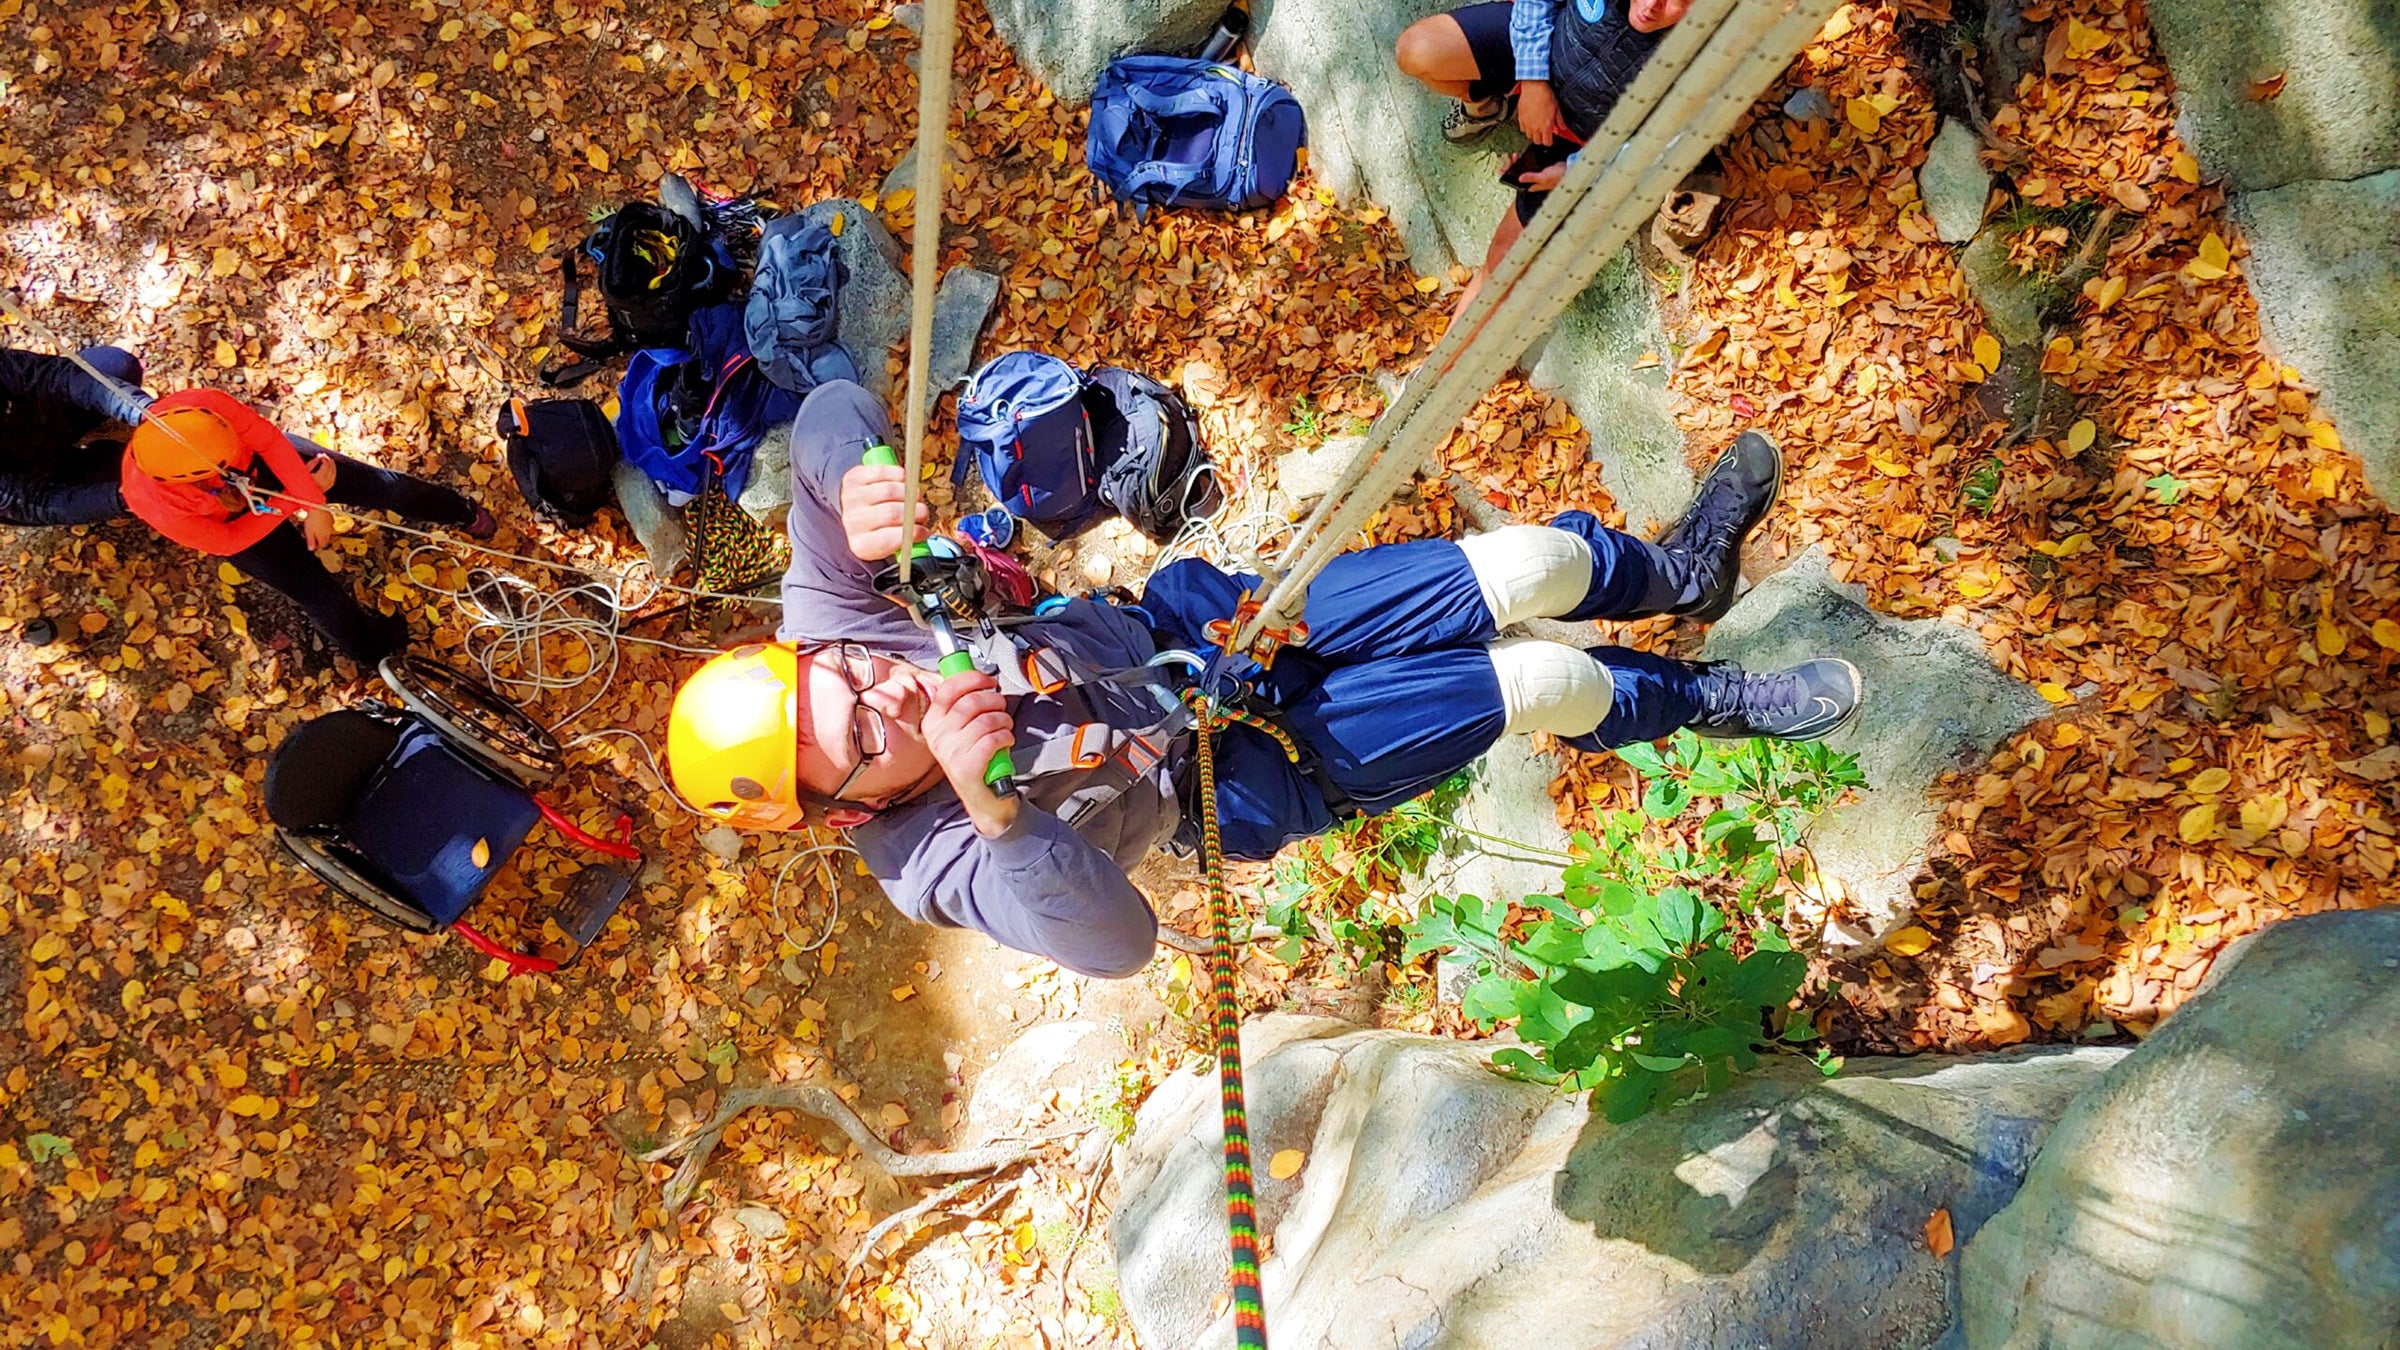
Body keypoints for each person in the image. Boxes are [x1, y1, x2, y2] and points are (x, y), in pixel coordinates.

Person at [664, 381, 1863, 979]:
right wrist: (993, 811)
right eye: (866, 739)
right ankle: (1702, 704)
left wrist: (858, 480)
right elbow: (1116, 944)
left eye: (858, 682)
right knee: (1540, 685)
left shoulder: (837, 624)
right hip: (1224, 777)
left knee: (1532, 562)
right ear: (847, 809)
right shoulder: (927, 864)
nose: (891, 698)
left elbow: (830, 413)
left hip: (1189, 629)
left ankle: (1679, 578)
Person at [119, 389, 496, 665]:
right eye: (227, 450)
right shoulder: (154, 502)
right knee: (315, 591)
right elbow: (230, 540)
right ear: (204, 474)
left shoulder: (195, 410)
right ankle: (378, 654)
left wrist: (312, 501)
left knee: (376, 484)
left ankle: (461, 512)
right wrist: (299, 502)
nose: (235, 441)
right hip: (238, 524)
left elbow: (266, 441)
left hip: (269, 467)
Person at [1396, 0, 1693, 318]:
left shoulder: (1708, 54)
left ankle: (1445, 364)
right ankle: (1491, 106)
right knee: (1417, 49)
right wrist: (1533, 80)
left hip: (1586, 141)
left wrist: (1576, 172)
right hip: (1546, 51)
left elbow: (1665, 144)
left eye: (1674, 1)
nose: (1651, 6)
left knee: (1504, 263)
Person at [0, 343, 150, 527]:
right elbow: (40, 504)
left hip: (51, 414)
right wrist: (121, 498)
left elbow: (50, 374)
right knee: (146, 482)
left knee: (117, 365)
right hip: (40, 476)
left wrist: (140, 408)